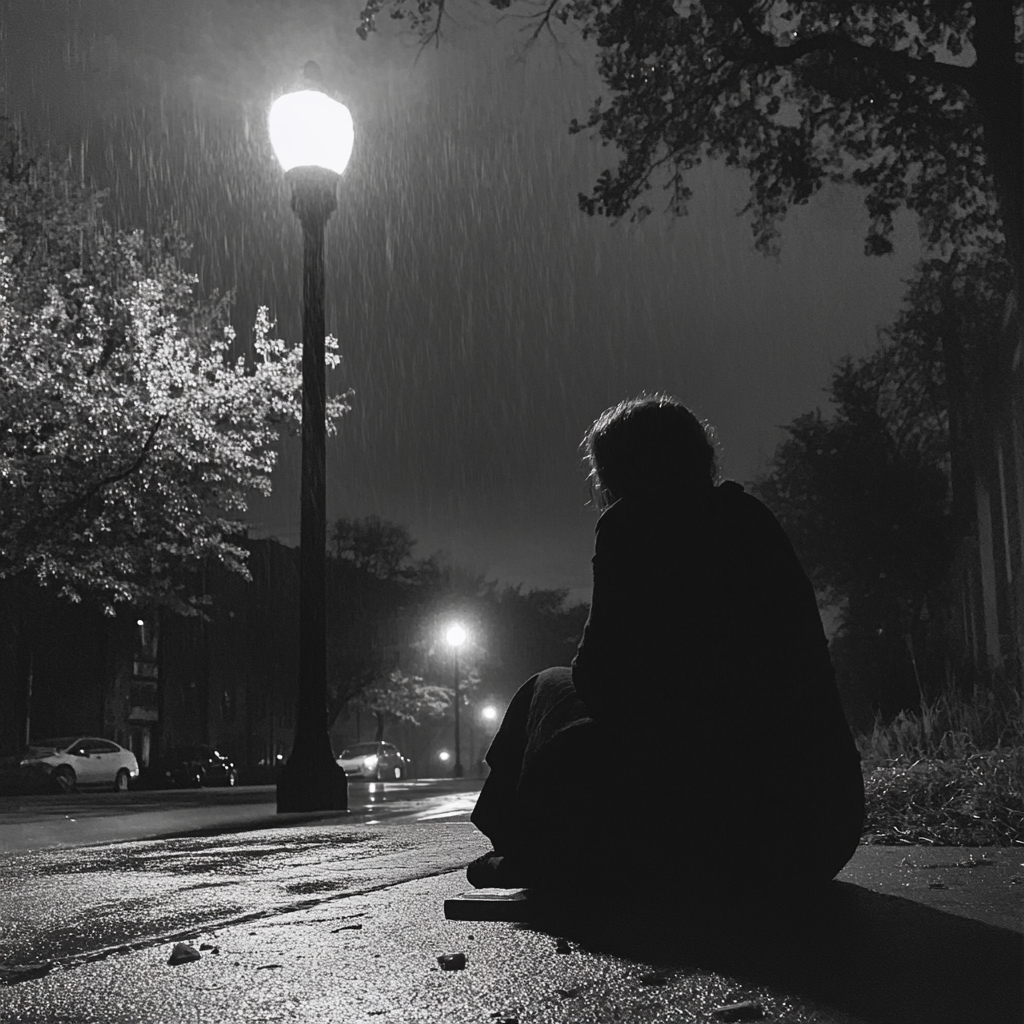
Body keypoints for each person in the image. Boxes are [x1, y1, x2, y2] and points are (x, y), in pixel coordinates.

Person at [468, 394, 864, 894]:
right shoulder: (752, 519)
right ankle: (539, 847)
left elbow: (599, 677)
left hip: (706, 838)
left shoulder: (632, 525)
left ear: (614, 473)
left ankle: (534, 848)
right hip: (816, 833)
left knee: (548, 688)